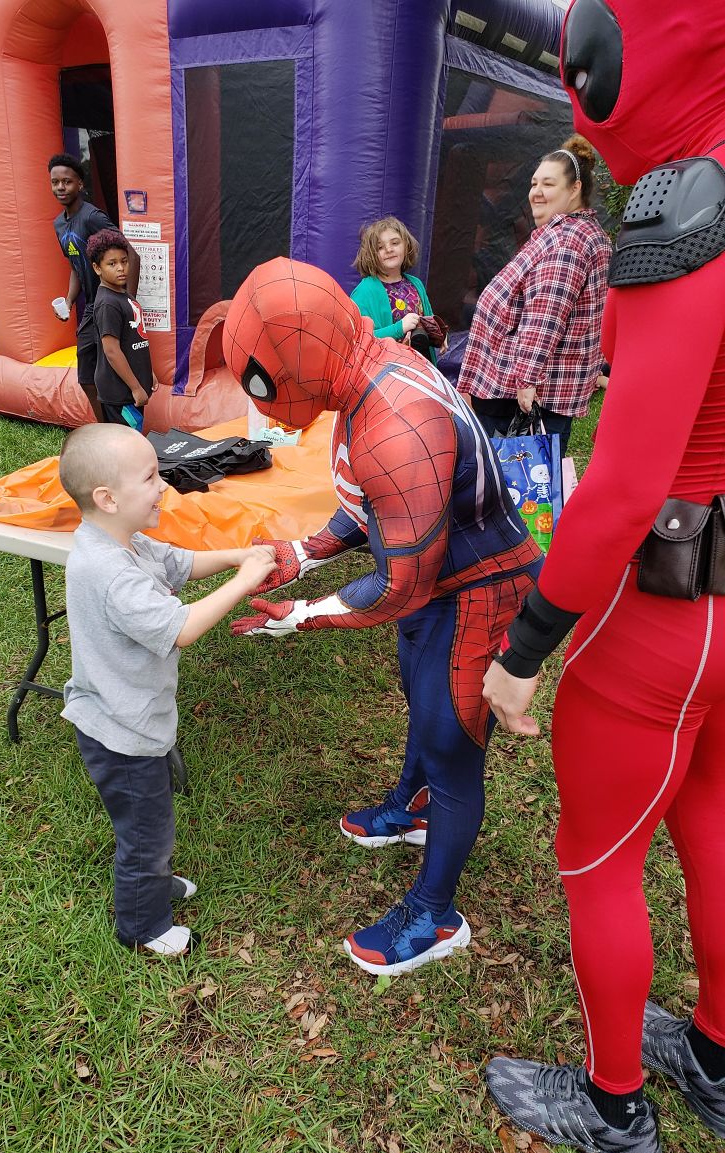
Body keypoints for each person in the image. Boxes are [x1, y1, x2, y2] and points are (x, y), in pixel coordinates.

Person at [482, 1, 725, 1153]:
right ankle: (714, 1052)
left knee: (599, 857)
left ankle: (617, 1107)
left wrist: (524, 647)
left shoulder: (688, 214)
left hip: (667, 605)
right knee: (712, 817)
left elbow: (624, 489)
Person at [222, 257, 542, 977]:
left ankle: (436, 913)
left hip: (477, 583)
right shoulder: (366, 373)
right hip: (440, 575)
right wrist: (304, 552)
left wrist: (300, 616)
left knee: (450, 737)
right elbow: (376, 500)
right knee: (420, 698)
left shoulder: (394, 417)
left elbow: (398, 583)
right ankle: (414, 803)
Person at [58, 424, 275, 957]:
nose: (163, 486)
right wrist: (244, 582)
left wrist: (238, 556)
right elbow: (181, 628)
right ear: (108, 498)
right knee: (145, 834)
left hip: (126, 716)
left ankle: (151, 880)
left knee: (149, 823)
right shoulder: (112, 574)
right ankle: (143, 925)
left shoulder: (118, 541)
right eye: (151, 477)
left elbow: (181, 563)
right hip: (122, 732)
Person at [458, 134, 611, 454]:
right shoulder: (571, 232)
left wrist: (527, 380)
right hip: (528, 385)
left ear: (574, 189)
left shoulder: (567, 242)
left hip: (524, 391)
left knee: (517, 475)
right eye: (534, 183)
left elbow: (545, 316)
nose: (536, 192)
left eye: (548, 184)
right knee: (530, 476)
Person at [49, 153, 139, 423]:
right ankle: (104, 428)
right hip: (90, 308)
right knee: (86, 378)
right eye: (55, 182)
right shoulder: (59, 224)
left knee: (113, 375)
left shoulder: (92, 217)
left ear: (80, 184)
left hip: (109, 305)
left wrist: (128, 302)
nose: (61, 187)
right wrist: (68, 301)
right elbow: (76, 266)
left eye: (67, 181)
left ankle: (125, 431)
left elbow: (131, 255)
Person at [86, 229, 156, 426]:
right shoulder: (108, 303)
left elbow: (134, 340)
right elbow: (111, 351)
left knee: (133, 435)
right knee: (125, 439)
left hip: (129, 389)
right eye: (112, 263)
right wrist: (135, 387)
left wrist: (148, 372)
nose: (121, 268)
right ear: (97, 268)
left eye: (124, 261)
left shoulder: (123, 295)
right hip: (119, 394)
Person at [350, 216, 439, 361]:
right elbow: (359, 340)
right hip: (387, 370)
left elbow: (429, 321)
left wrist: (439, 333)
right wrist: (399, 328)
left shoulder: (416, 284)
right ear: (371, 254)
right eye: (380, 247)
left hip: (420, 368)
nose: (389, 249)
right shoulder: (364, 292)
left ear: (406, 245)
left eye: (395, 243)